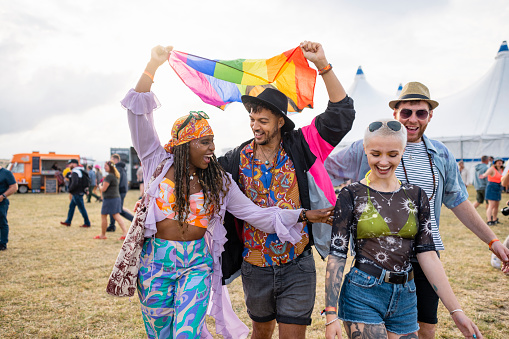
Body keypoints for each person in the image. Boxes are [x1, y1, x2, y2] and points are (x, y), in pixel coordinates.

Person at [116, 45, 333, 338]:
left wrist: (306, 214)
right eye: (204, 142)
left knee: (186, 333)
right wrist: (152, 66)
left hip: (196, 264)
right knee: (159, 333)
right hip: (156, 263)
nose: (212, 149)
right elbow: (137, 113)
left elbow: (257, 215)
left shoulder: (219, 181)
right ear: (185, 146)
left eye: (213, 141)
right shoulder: (157, 162)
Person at [325, 81, 509, 339]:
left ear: (430, 115)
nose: (412, 119)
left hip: (424, 256)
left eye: (420, 113)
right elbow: (324, 171)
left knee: (427, 329)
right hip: (372, 264)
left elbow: (458, 201)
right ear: (395, 114)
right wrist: (322, 211)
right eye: (406, 113)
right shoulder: (365, 146)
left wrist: (491, 240)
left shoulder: (440, 155)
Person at [218, 41, 354, 339]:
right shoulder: (235, 159)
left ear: (280, 122)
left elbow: (341, 114)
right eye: (252, 120)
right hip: (255, 264)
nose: (256, 126)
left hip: (297, 262)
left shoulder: (302, 145)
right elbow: (201, 173)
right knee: (261, 333)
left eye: (263, 121)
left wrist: (323, 65)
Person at [94, 161, 127, 240]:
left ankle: (103, 235)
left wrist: (100, 186)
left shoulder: (109, 177)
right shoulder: (115, 176)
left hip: (110, 199)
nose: (104, 167)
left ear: (110, 167)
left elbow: (104, 189)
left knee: (105, 215)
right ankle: (125, 233)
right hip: (115, 198)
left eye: (106, 166)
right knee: (116, 215)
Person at [60, 159, 91, 228]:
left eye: (70, 164)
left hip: (77, 193)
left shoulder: (75, 172)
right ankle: (68, 221)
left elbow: (74, 182)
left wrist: (70, 189)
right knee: (72, 207)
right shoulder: (80, 170)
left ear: (75, 164)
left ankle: (87, 222)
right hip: (79, 192)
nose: (69, 165)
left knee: (81, 208)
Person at [107, 154, 134, 231]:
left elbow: (115, 181)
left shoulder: (118, 169)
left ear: (115, 160)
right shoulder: (122, 168)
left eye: (112, 159)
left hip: (119, 191)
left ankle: (135, 221)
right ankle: (112, 225)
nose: (111, 161)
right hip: (122, 190)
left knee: (118, 210)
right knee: (114, 209)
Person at [479, 158, 504, 225]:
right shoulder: (492, 169)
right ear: (495, 163)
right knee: (491, 205)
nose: (499, 162)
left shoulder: (502, 170)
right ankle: (489, 220)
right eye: (498, 161)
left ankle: (495, 219)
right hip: (491, 187)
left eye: (501, 161)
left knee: (496, 205)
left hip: (498, 187)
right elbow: (485, 174)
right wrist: (483, 176)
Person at [0, 166, 18, 251]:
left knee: (2, 222)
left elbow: (14, 187)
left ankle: (3, 243)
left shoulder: (6, 173)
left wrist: (3, 196)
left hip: (1, 202)